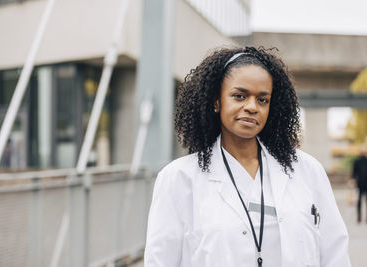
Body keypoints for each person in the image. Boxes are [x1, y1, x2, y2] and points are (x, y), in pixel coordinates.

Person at [144, 46, 351, 267]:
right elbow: (160, 260)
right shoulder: (179, 179)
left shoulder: (307, 171)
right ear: (217, 101)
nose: (252, 107)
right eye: (239, 96)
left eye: (262, 99)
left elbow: (334, 254)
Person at [352, 145, 367, 223]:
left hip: (361, 184)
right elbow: (354, 173)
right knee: (359, 201)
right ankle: (359, 217)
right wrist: (353, 181)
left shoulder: (357, 161)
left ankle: (360, 217)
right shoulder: (356, 161)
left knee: (360, 201)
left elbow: (354, 173)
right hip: (360, 184)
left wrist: (353, 180)